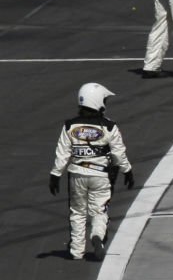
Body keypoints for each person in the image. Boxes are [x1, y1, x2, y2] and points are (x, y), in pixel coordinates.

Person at [49, 84, 134, 260]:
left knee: (77, 212)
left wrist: (55, 174)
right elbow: (118, 153)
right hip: (101, 176)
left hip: (77, 175)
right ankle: (97, 236)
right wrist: (127, 170)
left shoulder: (70, 126)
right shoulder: (109, 126)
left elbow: (62, 152)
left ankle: (76, 251)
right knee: (99, 211)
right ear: (98, 102)